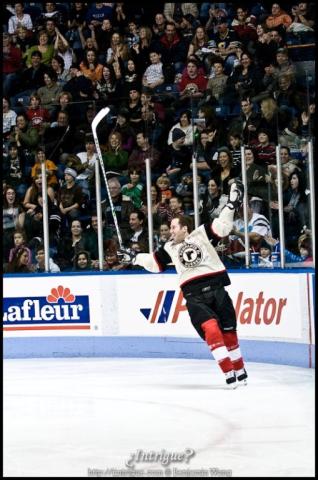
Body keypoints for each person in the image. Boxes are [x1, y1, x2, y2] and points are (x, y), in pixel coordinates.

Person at [122, 179, 248, 388]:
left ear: (185, 229)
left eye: (173, 227)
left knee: (229, 332)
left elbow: (223, 226)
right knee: (212, 330)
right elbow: (154, 263)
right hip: (194, 296)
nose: (170, 231)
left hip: (217, 289)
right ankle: (228, 372)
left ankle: (240, 369)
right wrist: (134, 258)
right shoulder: (169, 247)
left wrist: (231, 204)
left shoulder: (201, 234)